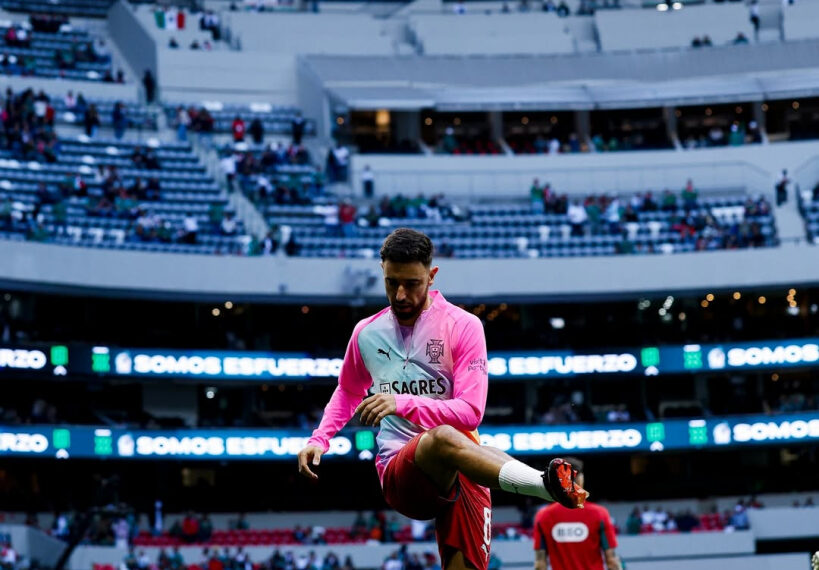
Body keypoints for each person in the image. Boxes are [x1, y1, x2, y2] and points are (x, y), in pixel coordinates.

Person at [298, 229, 587, 570]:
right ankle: (543, 485)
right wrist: (320, 439)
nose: (401, 294)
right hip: (402, 474)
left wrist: (401, 402)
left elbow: (471, 412)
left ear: (432, 276)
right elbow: (348, 389)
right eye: (391, 283)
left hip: (463, 467)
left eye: (412, 283)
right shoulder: (366, 332)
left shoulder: (463, 326)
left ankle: (545, 484)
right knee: (444, 437)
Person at [533, 458, 621, 570]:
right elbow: (612, 561)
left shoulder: (543, 516)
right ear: (579, 479)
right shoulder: (599, 514)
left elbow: (540, 564)